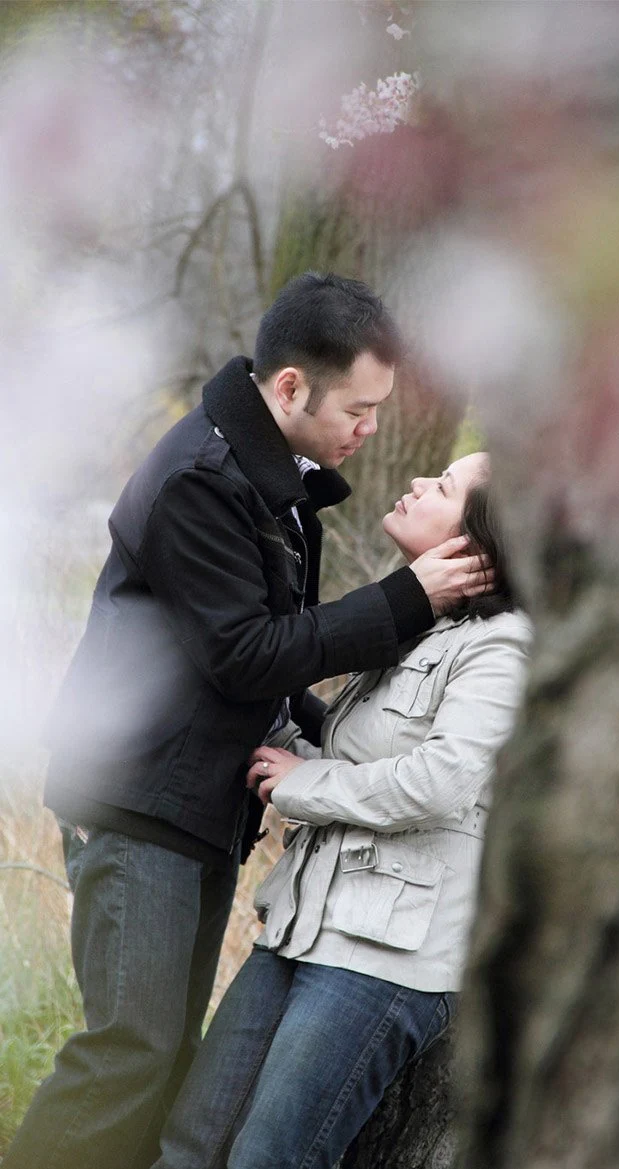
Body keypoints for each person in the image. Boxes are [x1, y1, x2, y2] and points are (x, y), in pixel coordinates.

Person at [6, 273, 491, 1169]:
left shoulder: (270, 474)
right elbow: (246, 652)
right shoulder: (203, 477)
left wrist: (318, 759)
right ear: (292, 387)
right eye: (361, 407)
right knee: (128, 1056)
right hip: (135, 801)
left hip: (191, 806)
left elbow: (263, 667)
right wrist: (406, 597)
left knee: (159, 1061)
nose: (372, 430)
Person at [150, 452, 529, 1169]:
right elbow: (349, 756)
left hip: (385, 957)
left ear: (479, 545)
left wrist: (299, 783)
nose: (417, 484)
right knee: (190, 1143)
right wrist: (254, 719)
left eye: (443, 486)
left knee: (270, 1158)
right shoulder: (415, 629)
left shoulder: (502, 647)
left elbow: (438, 780)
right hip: (303, 925)